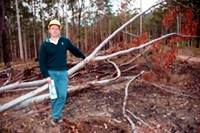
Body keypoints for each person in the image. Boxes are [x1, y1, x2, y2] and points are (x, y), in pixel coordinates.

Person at [39, 19, 90, 126]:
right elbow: (41, 62)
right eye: (53, 28)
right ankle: (58, 117)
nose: (55, 31)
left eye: (57, 29)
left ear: (59, 30)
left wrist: (83, 57)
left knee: (62, 95)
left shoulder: (64, 41)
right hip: (51, 74)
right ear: (49, 30)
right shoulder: (45, 45)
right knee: (54, 96)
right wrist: (46, 76)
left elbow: (74, 50)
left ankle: (54, 116)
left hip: (62, 73)